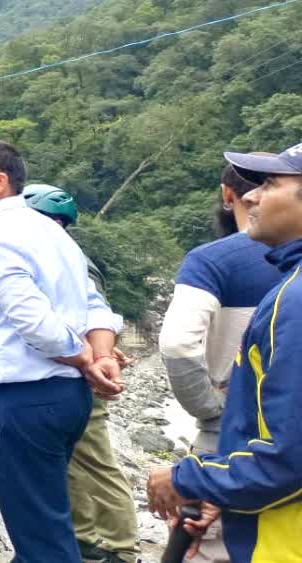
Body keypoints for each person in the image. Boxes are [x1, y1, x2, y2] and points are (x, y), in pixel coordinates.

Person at [0, 139, 125, 562]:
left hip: (21, 399)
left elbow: (36, 324)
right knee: (47, 520)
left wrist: (85, 360)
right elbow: (96, 307)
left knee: (41, 539)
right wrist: (102, 355)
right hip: (64, 397)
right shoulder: (51, 232)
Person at [147, 142, 302, 563]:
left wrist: (190, 476)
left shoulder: (295, 299)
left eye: (270, 184)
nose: (252, 195)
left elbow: (291, 457)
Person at [23, 183, 139, 563]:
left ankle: (122, 547)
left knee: (96, 462)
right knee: (68, 463)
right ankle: (85, 537)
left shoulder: (74, 263)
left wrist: (98, 355)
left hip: (80, 377)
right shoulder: (43, 259)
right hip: (56, 378)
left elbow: (95, 315)